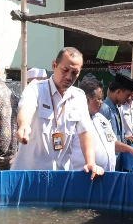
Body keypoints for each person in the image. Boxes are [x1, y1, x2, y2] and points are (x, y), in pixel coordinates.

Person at [11, 47, 103, 179]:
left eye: (74, 73)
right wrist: (24, 125)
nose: (69, 76)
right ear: (54, 65)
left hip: (61, 177)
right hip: (28, 176)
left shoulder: (79, 97)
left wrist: (90, 163)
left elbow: (85, 132)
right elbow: (27, 106)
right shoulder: (36, 89)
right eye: (65, 70)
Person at [71, 79, 133, 171]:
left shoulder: (101, 119)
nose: (101, 102)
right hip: (85, 174)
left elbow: (112, 142)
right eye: (99, 99)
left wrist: (130, 149)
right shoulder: (73, 121)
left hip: (106, 176)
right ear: (88, 100)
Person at [99, 73, 133, 170]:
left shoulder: (117, 109)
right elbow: (105, 139)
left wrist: (125, 137)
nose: (128, 99)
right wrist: (129, 149)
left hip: (118, 160)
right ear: (118, 92)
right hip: (107, 163)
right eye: (127, 95)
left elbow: (115, 134)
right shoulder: (104, 109)